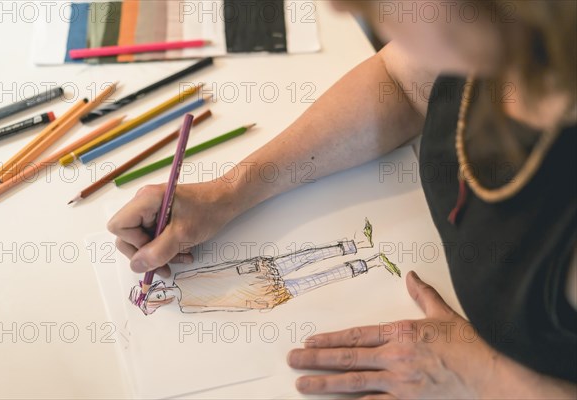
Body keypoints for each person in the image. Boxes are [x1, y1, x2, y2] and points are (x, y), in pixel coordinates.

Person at [107, 0, 576, 397]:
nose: (338, 9)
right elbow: (401, 82)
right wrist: (228, 193)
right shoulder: (498, 36)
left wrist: (482, 373)